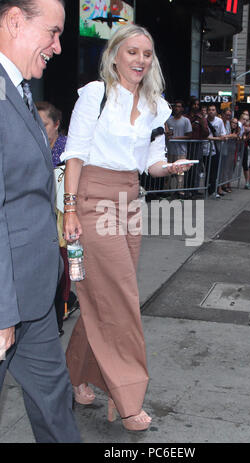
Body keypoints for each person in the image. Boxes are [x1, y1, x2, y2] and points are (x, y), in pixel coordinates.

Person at [62, 24, 191, 432]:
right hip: (91, 198)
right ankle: (128, 396)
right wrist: (68, 210)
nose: (140, 60)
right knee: (121, 297)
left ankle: (75, 375)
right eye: (132, 52)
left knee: (105, 294)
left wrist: (168, 168)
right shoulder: (94, 96)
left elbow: (150, 161)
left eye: (147, 54)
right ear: (115, 55)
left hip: (130, 200)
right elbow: (75, 156)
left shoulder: (157, 106)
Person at [0, 0, 81, 443]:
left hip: (32, 296)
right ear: (15, 21)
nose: (58, 46)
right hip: (5, 299)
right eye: (52, 32)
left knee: (55, 401)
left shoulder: (19, 91)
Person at [37, 101, 78, 336]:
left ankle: (58, 317)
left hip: (63, 223)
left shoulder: (67, 151)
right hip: (36, 221)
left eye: (44, 124)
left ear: (57, 125)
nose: (40, 129)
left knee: (61, 271)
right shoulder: (32, 146)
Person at [166, 100, 192, 197]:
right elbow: (167, 134)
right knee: (168, 171)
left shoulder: (186, 120)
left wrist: (175, 138)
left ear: (182, 108)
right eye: (176, 106)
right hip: (170, 150)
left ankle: (180, 191)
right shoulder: (169, 121)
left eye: (179, 106)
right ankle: (166, 190)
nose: (177, 108)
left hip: (181, 150)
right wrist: (169, 136)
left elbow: (189, 135)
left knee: (180, 172)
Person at [207, 104, 227, 197]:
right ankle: (206, 189)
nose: (211, 111)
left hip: (214, 149)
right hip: (204, 149)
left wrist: (212, 139)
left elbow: (223, 136)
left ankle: (212, 190)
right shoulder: (204, 120)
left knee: (213, 171)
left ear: (216, 111)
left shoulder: (219, 121)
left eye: (213, 110)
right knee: (206, 171)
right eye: (209, 110)